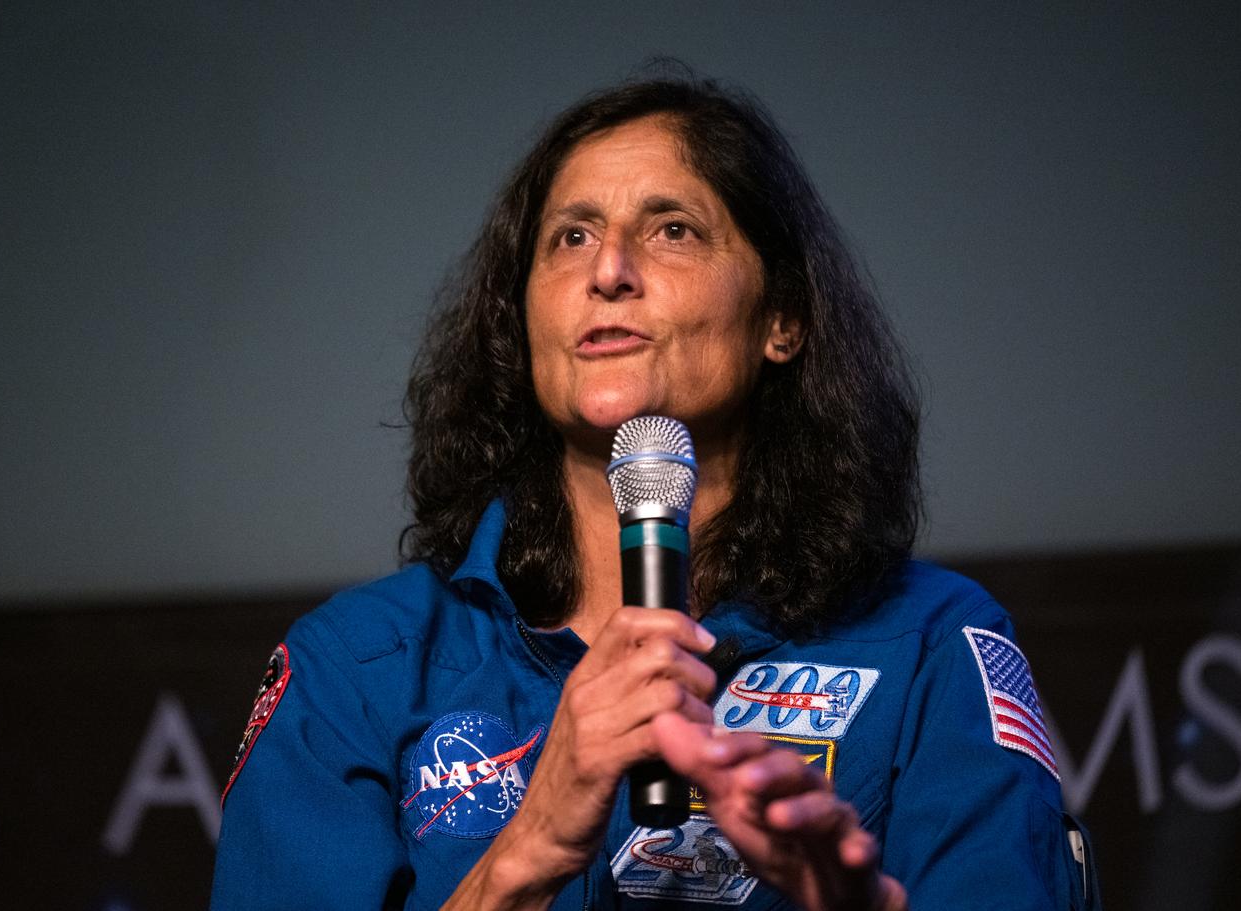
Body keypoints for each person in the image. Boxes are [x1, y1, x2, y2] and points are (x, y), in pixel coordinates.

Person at [211, 73, 1095, 910]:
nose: (609, 270)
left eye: (672, 228)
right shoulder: (353, 667)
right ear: (522, 326)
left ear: (781, 319)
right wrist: (530, 848)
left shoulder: (932, 642)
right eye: (572, 235)